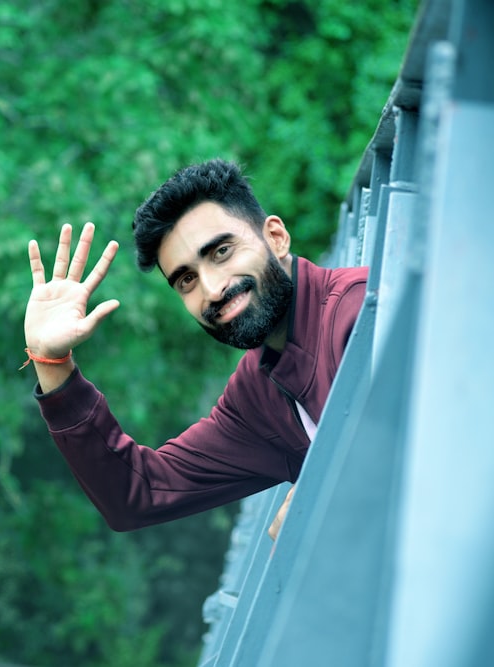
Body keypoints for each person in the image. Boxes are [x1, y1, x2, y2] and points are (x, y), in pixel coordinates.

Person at [22, 159, 367, 539]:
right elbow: (141, 493)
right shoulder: (257, 392)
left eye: (221, 252)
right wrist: (51, 362)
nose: (213, 289)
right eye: (187, 279)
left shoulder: (362, 309)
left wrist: (327, 488)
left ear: (275, 237)